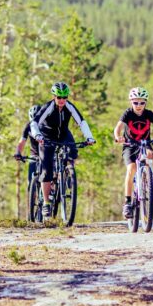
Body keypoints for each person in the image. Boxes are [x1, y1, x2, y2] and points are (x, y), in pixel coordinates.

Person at [30, 82, 95, 220]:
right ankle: (47, 202)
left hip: (64, 135)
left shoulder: (69, 106)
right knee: (46, 168)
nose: (62, 100)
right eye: (59, 97)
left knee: (73, 151)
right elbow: (34, 122)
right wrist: (37, 135)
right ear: (54, 96)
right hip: (46, 136)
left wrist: (89, 137)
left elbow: (81, 121)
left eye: (64, 97)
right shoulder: (48, 107)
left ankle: (67, 173)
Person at [113, 87, 153, 219]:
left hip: (145, 142)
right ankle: (127, 202)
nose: (138, 106)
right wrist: (118, 136)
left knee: (150, 154)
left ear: (145, 103)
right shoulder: (127, 113)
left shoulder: (149, 114)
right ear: (131, 102)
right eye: (135, 103)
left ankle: (147, 178)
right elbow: (118, 127)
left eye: (142, 103)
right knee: (131, 168)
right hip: (130, 145)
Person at [14, 104, 42, 182]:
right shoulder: (28, 126)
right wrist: (18, 152)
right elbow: (22, 142)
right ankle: (32, 192)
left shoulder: (47, 125)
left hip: (47, 153)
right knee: (31, 181)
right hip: (35, 154)